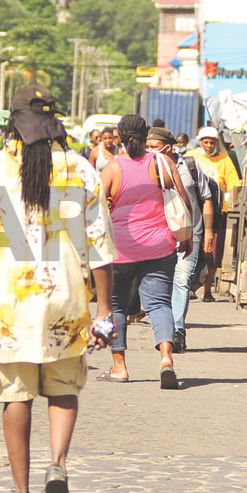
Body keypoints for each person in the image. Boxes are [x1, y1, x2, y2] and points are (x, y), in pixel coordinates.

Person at [0, 84, 116, 493]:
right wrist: (104, 313)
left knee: (15, 396)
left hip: (7, 306)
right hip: (67, 302)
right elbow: (99, 249)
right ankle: (57, 465)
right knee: (63, 388)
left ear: (12, 124)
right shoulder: (81, 169)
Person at [100, 115, 191, 388]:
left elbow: (94, 208)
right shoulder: (162, 162)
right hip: (160, 245)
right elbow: (182, 199)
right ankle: (166, 360)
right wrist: (186, 236)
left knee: (115, 305)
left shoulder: (113, 168)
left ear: (119, 137)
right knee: (160, 304)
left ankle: (120, 366)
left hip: (120, 250)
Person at [145, 126, 215, 352]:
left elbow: (206, 199)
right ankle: (165, 331)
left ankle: (177, 331)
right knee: (162, 284)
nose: (150, 151)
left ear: (168, 147)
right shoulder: (147, 168)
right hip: (159, 235)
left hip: (189, 233)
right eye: (147, 147)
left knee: (181, 280)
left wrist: (208, 232)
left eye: (154, 147)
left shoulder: (191, 166)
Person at [186, 126, 241, 302]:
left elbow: (233, 183)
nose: (209, 145)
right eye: (205, 142)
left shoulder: (225, 160)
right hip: (194, 211)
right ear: (200, 142)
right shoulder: (191, 156)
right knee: (192, 249)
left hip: (217, 211)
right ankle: (188, 286)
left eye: (212, 142)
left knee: (213, 254)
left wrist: (233, 200)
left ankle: (207, 289)